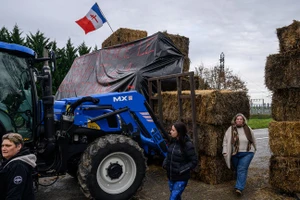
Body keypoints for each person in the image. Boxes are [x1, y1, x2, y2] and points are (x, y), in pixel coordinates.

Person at [222, 113, 257, 196]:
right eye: (237, 119)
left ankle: (239, 188)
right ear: (235, 120)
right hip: (235, 153)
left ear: (243, 121)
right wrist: (224, 150)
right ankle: (240, 182)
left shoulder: (248, 129)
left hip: (247, 152)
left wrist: (255, 149)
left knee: (242, 169)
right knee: (237, 169)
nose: (239, 120)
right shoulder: (230, 129)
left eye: (241, 119)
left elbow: (254, 139)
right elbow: (225, 141)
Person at [163, 121, 198, 200]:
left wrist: (181, 170)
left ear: (179, 132)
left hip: (181, 178)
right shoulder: (172, 142)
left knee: (173, 198)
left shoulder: (187, 145)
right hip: (171, 177)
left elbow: (194, 161)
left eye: (173, 130)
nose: (170, 132)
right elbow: (169, 155)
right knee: (176, 197)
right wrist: (165, 163)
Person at [0, 133, 37, 200]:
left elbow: (14, 194)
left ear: (19, 146)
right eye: (2, 146)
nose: (3, 149)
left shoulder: (18, 166)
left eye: (8, 146)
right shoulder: (8, 162)